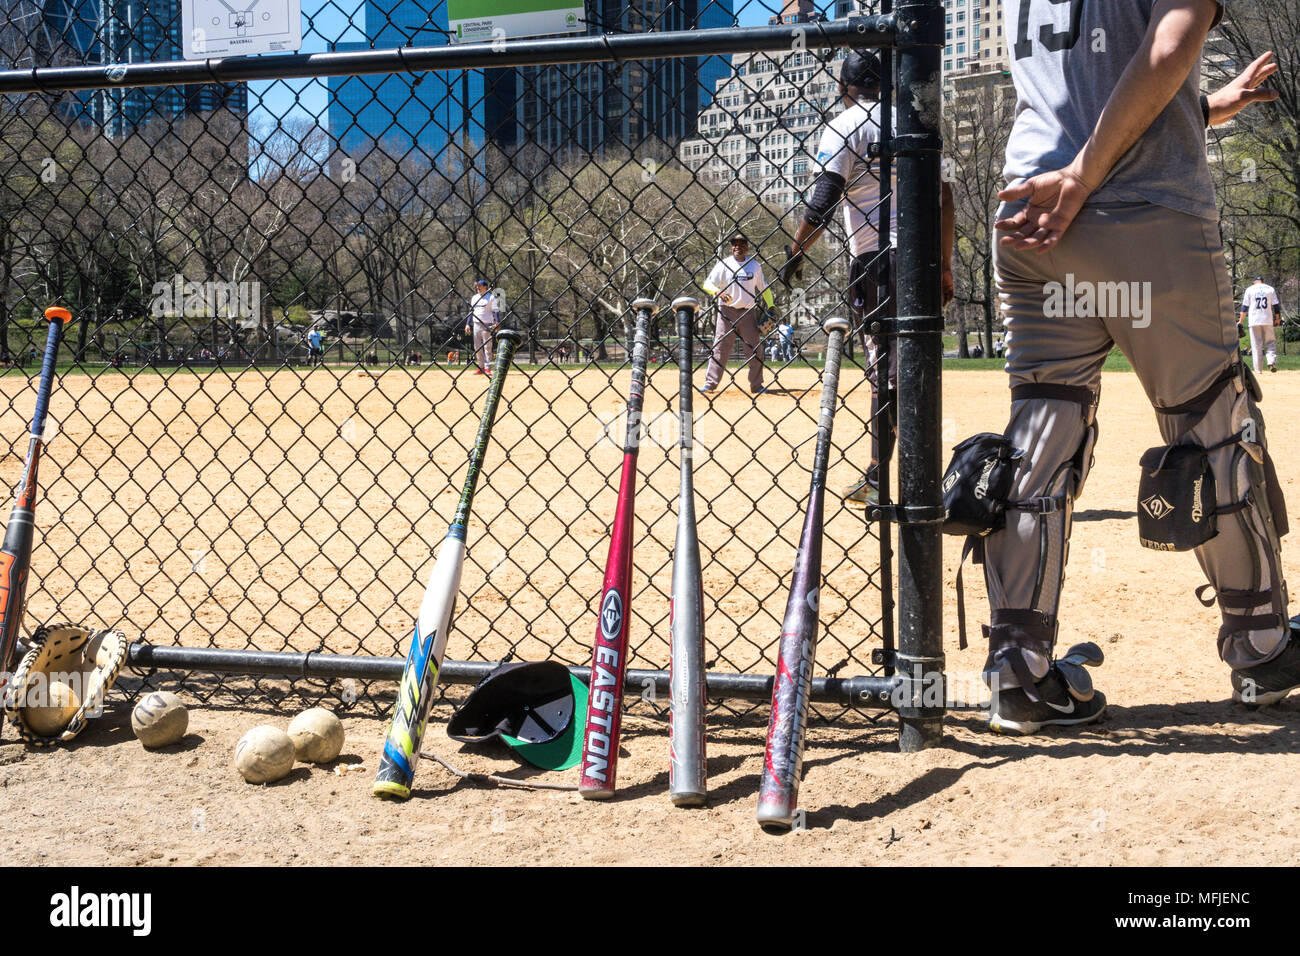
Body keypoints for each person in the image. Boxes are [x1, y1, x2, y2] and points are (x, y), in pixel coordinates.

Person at [973, 2, 1287, 734]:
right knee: (1209, 425)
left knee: (1041, 437)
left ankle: (1018, 672)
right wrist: (1085, 176)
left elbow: (1089, 89)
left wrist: (1208, 108)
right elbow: (1170, 45)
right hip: (1138, 211)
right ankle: (1263, 647)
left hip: (1029, 211)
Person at [779, 49, 955, 506]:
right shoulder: (916, 117)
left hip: (879, 261)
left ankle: (885, 476)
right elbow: (947, 195)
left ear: (844, 87)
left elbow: (824, 198)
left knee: (885, 372)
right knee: (915, 365)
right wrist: (948, 263)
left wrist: (796, 251)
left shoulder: (846, 124)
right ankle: (918, 474)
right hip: (923, 257)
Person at [700, 234, 774, 394]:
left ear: (747, 246)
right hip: (727, 312)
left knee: (755, 349)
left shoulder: (754, 266)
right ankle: (710, 383)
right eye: (734, 244)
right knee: (720, 348)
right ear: (731, 246)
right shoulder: (724, 264)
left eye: (741, 244)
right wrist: (717, 292)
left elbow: (765, 288)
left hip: (748, 312)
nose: (737, 246)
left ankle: (757, 385)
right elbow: (707, 283)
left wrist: (771, 305)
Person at [1240, 274, 1282, 374]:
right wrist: (1277, 319)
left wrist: (1240, 321)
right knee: (1270, 342)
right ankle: (1271, 362)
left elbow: (1244, 307)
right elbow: (1276, 306)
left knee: (1256, 345)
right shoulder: (1270, 289)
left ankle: (1258, 370)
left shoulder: (1250, 289)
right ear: (1262, 281)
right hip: (1267, 319)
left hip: (1254, 320)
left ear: (1254, 282)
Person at [465, 280, 498, 375]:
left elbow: (495, 311)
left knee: (487, 347)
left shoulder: (491, 297)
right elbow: (471, 311)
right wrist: (467, 324)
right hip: (476, 324)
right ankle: (481, 367)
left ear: (485, 287)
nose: (477, 288)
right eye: (477, 286)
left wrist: (496, 321)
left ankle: (487, 368)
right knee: (477, 347)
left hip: (487, 324)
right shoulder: (474, 298)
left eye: (480, 286)